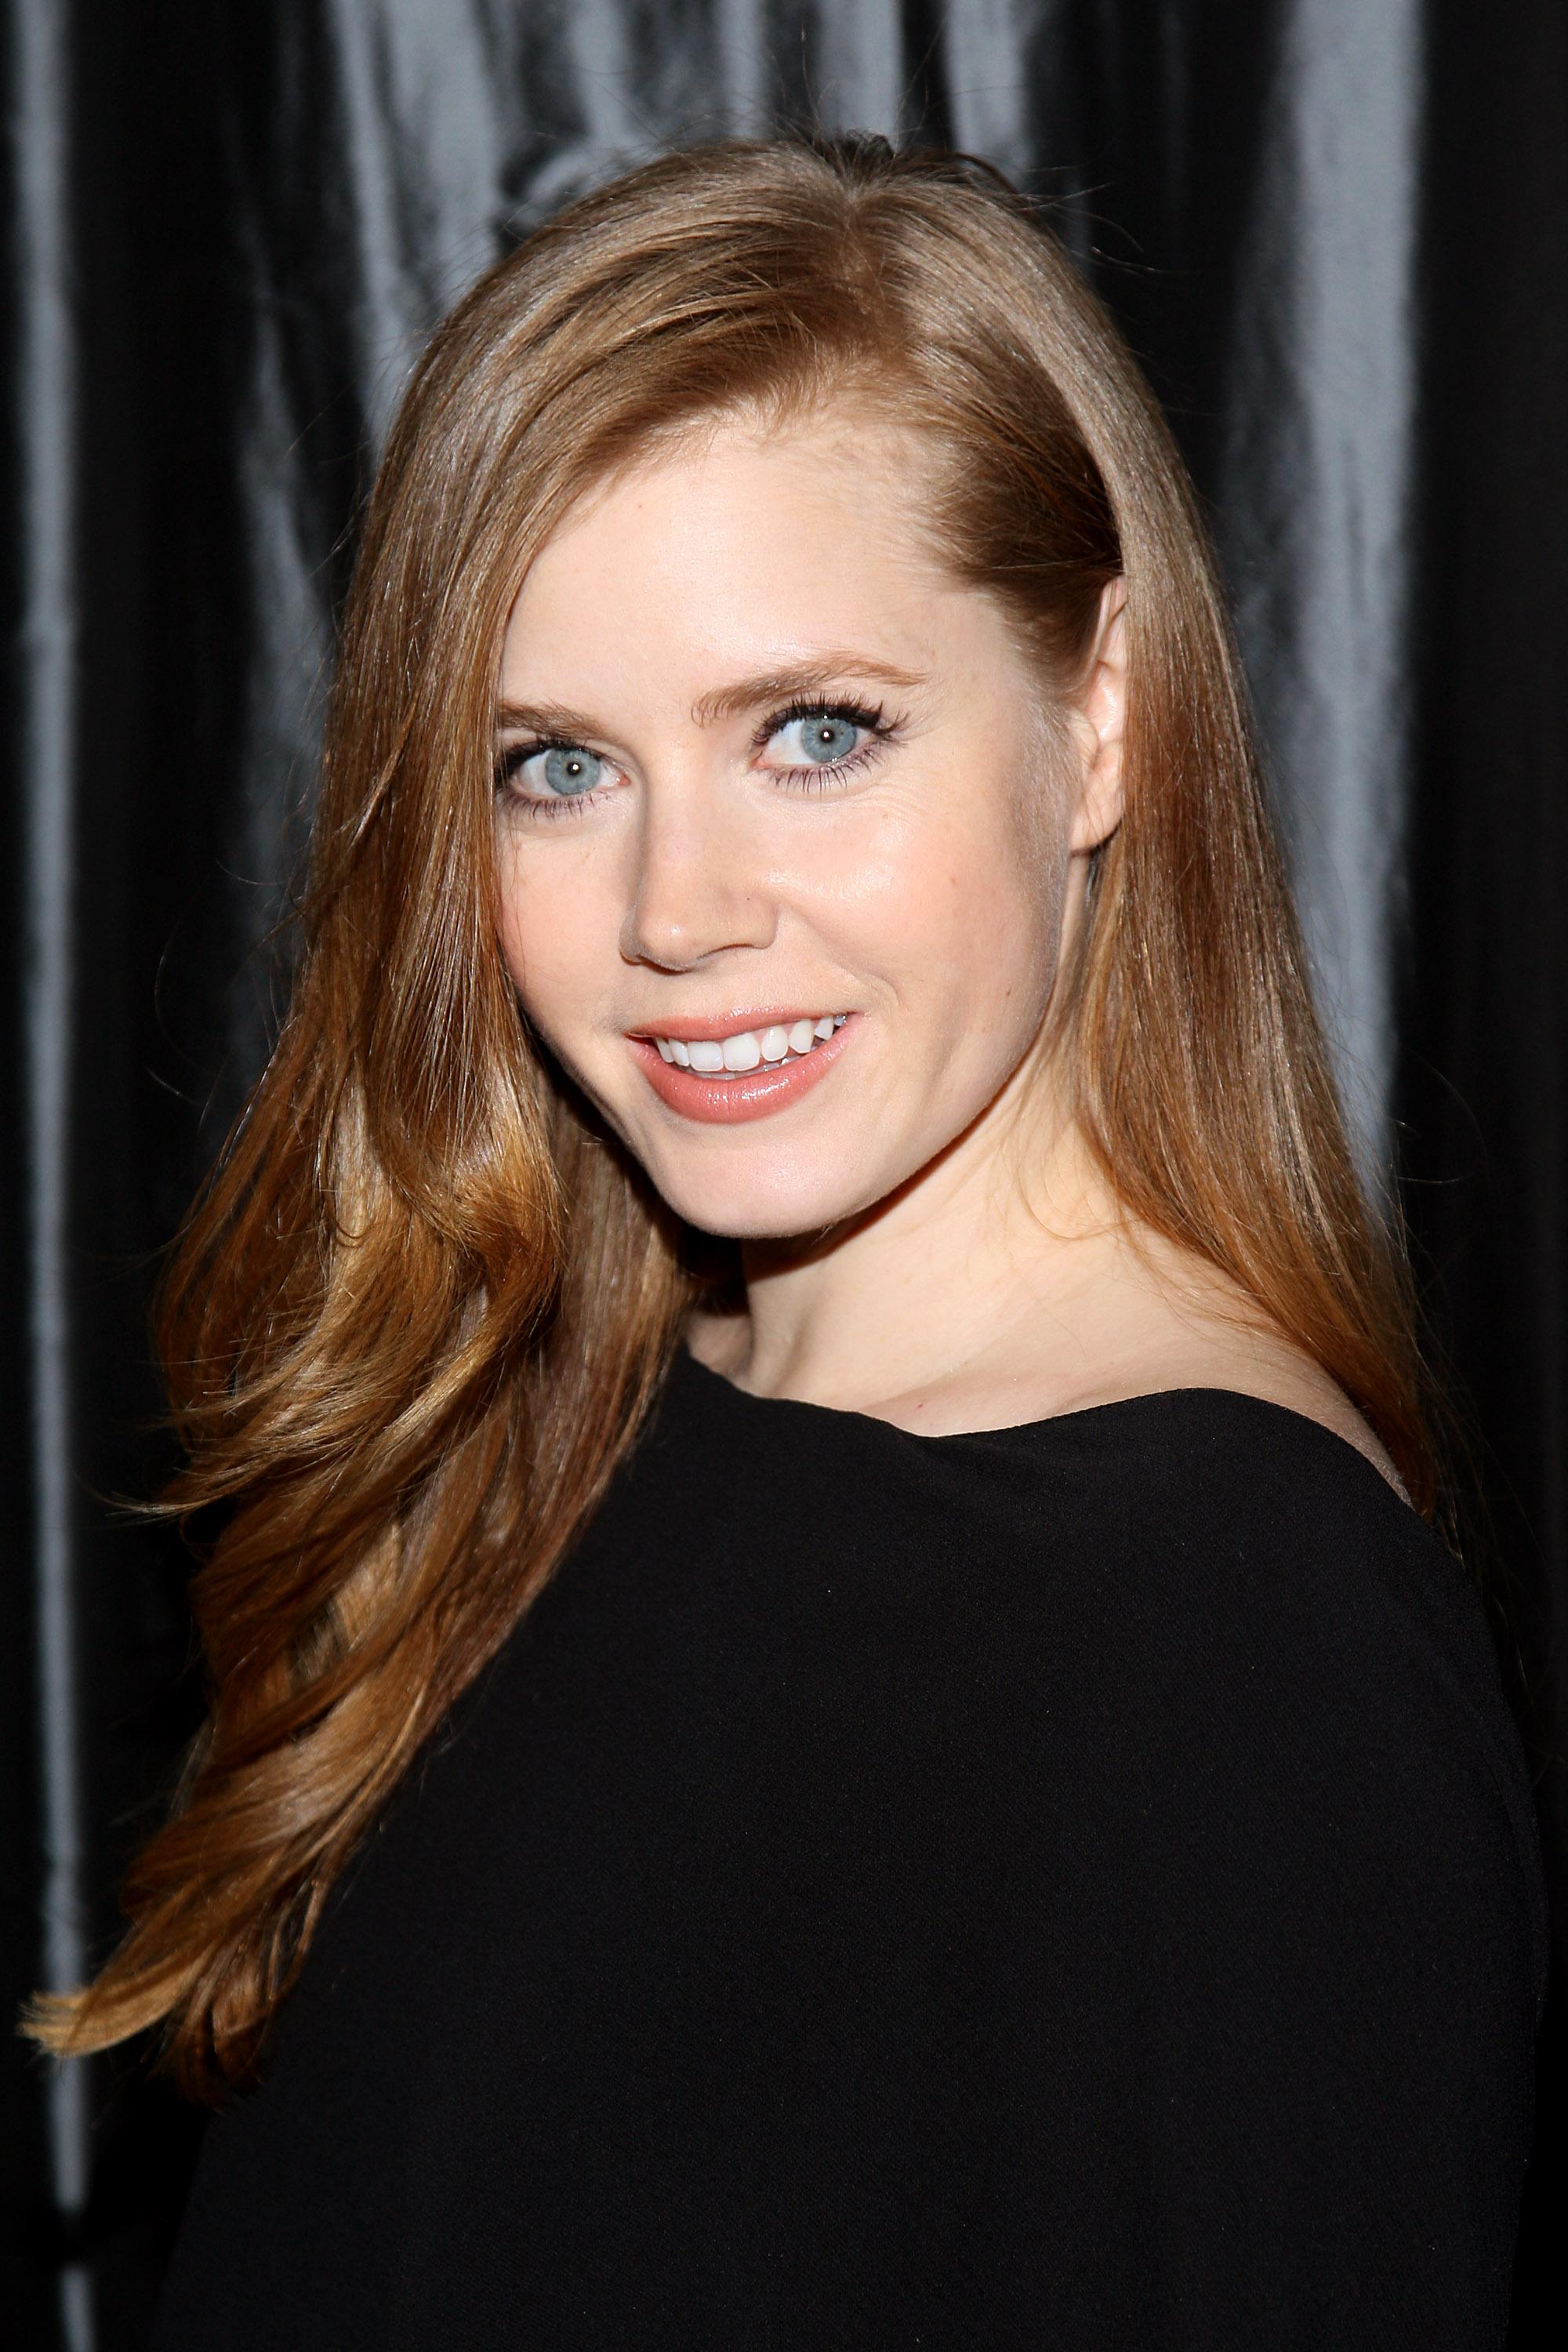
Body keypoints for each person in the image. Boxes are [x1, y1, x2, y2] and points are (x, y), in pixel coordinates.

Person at [32, 135, 1544, 2347]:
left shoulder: (1224, 1647)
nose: (676, 913)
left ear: (1100, 716)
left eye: (815, 736)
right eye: (556, 767)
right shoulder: (570, 1425)